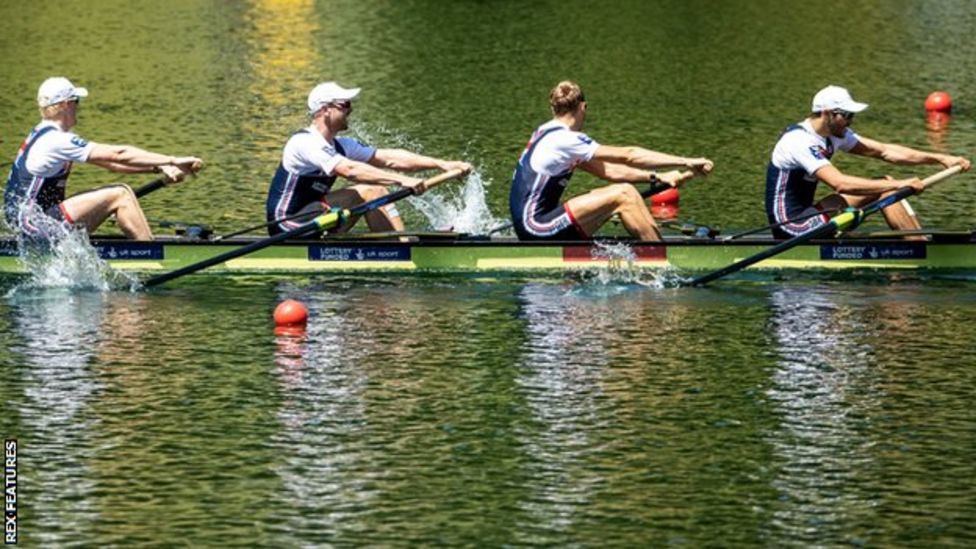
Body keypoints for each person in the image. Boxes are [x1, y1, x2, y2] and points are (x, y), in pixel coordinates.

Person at [509, 80, 713, 241]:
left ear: (554, 109)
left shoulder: (545, 132)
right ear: (583, 107)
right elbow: (630, 154)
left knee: (617, 194)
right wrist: (686, 161)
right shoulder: (566, 139)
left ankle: (649, 247)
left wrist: (658, 177)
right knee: (625, 194)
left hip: (534, 224)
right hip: (536, 227)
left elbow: (609, 171)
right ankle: (661, 260)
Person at [3, 77, 203, 241]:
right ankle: (150, 254)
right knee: (121, 194)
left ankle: (141, 248)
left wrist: (159, 168)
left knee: (115, 193)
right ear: (65, 105)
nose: (78, 108)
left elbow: (112, 164)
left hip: (32, 224)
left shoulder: (41, 133)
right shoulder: (56, 140)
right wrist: (172, 160)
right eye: (76, 102)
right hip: (36, 227)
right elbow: (119, 154)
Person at [265, 81, 471, 236]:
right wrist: (402, 180)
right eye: (344, 104)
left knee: (372, 191)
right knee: (371, 191)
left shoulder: (341, 146)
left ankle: (396, 245)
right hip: (287, 225)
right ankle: (403, 248)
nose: (350, 109)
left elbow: (390, 158)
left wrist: (441, 164)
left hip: (317, 215)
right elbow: (350, 171)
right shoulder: (304, 142)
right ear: (325, 110)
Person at [765, 85, 970, 239]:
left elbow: (886, 151)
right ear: (827, 113)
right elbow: (841, 183)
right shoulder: (799, 141)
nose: (850, 120)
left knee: (885, 184)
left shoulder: (835, 134)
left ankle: (919, 241)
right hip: (791, 227)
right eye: (846, 115)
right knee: (888, 187)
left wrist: (941, 158)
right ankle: (918, 248)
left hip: (810, 216)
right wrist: (900, 184)